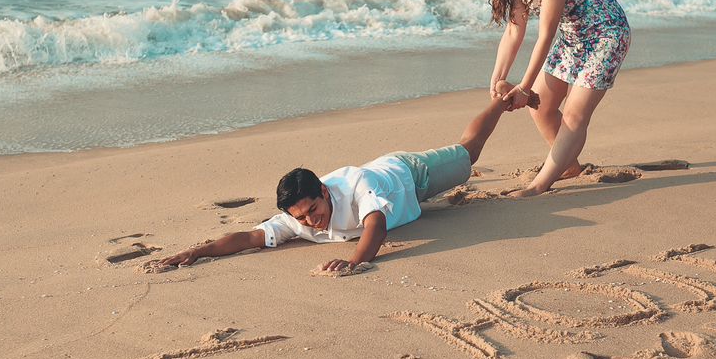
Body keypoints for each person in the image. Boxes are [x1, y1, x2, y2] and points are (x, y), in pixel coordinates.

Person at [157, 92, 535, 273]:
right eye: (301, 218)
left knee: (469, 152)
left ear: (323, 190)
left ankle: (502, 101)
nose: (311, 221)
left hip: (409, 175)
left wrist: (353, 261)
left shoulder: (357, 183)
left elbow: (377, 225)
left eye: (313, 210)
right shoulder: (296, 216)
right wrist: (199, 250)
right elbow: (251, 238)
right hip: (404, 196)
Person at [485, 0, 630, 197]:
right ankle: (568, 165)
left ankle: (539, 185)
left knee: (574, 114)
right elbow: (514, 33)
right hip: (573, 38)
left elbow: (545, 34)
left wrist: (524, 87)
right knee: (542, 106)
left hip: (607, 35)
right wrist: (497, 78)